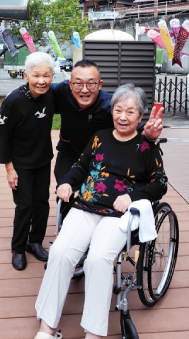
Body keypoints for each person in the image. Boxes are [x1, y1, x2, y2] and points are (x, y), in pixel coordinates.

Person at [34, 84, 168, 339]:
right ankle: (47, 327)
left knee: (97, 260)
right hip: (85, 207)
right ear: (112, 111)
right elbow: (80, 167)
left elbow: (160, 184)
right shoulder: (100, 137)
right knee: (60, 252)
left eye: (130, 111)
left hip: (118, 215)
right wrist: (67, 182)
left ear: (140, 116)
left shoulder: (146, 146)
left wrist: (131, 197)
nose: (123, 116)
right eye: (118, 110)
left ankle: (94, 333)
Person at [52, 60, 163, 208]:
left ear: (100, 84)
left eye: (91, 84)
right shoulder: (61, 91)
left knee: (99, 191)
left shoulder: (111, 106)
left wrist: (149, 135)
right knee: (64, 190)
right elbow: (40, 85)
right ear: (70, 84)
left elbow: (135, 128)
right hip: (69, 152)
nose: (84, 90)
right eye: (78, 83)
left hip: (101, 156)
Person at [0, 52, 55, 271]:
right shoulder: (13, 101)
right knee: (25, 205)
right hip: (20, 161)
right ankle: (18, 248)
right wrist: (9, 169)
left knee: (42, 202)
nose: (41, 80)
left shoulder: (51, 94)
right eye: (36, 75)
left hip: (42, 158)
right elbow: (2, 137)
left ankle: (35, 242)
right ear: (26, 76)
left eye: (46, 75)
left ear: (52, 77)